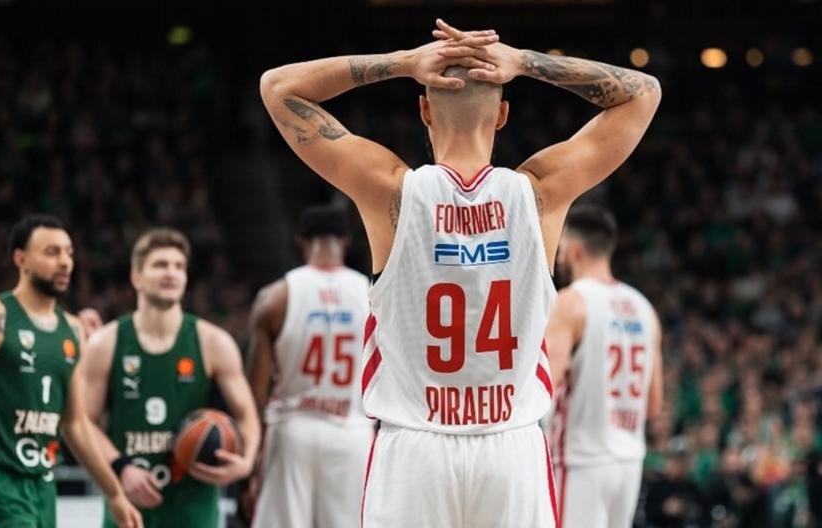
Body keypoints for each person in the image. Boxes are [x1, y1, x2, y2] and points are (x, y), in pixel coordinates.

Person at [260, 17, 661, 526]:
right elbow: (643, 92)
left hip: (415, 449)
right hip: (511, 447)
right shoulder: (541, 193)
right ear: (503, 115)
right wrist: (525, 62)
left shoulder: (389, 190)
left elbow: (278, 87)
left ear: (424, 110)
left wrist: (403, 62)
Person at [0, 214, 142, 528]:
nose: (65, 262)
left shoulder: (72, 331)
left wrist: (114, 493)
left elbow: (75, 423)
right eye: (52, 252)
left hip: (42, 486)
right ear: (21, 259)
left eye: (69, 253)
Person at [81, 228, 261, 528]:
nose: (171, 273)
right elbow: (84, 422)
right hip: (129, 506)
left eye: (179, 266)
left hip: (193, 507)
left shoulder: (213, 342)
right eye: (160, 265)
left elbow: (247, 415)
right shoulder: (105, 343)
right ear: (136, 277)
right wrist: (121, 468)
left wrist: (246, 462)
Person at [247, 205, 374, 527]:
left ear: (301, 241)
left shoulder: (274, 298)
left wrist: (252, 459)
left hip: (293, 429)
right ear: (345, 240)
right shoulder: (374, 296)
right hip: (353, 431)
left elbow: (256, 390)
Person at [544, 205, 664, 528]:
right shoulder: (643, 307)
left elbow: (545, 387)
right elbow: (654, 404)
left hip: (580, 458)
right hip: (628, 460)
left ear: (575, 250)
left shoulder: (570, 302)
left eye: (561, 248)